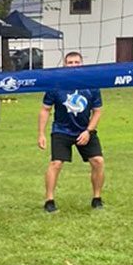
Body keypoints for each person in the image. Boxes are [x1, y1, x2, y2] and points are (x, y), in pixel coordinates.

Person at [38, 51, 104, 212]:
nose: (73, 65)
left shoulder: (91, 85)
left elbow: (98, 111)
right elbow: (45, 110)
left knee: (98, 161)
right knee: (56, 163)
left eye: (76, 62)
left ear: (82, 64)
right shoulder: (56, 84)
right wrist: (41, 133)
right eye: (70, 62)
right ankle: (49, 201)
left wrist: (88, 131)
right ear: (65, 65)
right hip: (61, 130)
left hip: (84, 130)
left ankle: (97, 198)